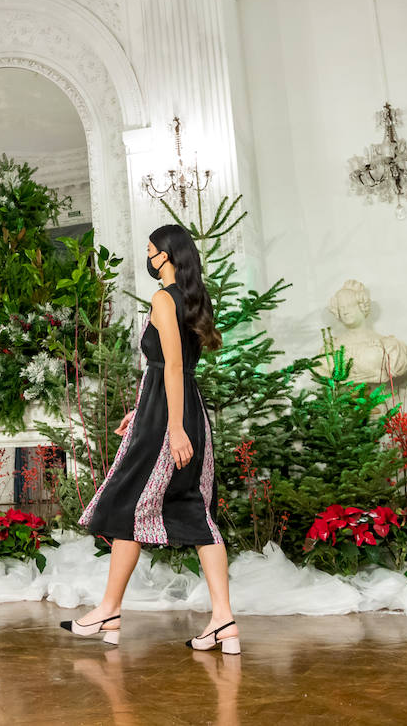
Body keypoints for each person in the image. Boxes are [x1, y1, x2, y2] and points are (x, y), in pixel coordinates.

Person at [61, 225, 237, 654]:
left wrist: (170, 427)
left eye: (150, 252)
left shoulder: (163, 299)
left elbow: (171, 367)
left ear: (166, 256)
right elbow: (173, 373)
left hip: (170, 419)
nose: (148, 258)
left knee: (127, 504)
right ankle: (223, 621)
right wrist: (143, 410)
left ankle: (108, 610)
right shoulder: (195, 299)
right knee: (198, 511)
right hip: (182, 411)